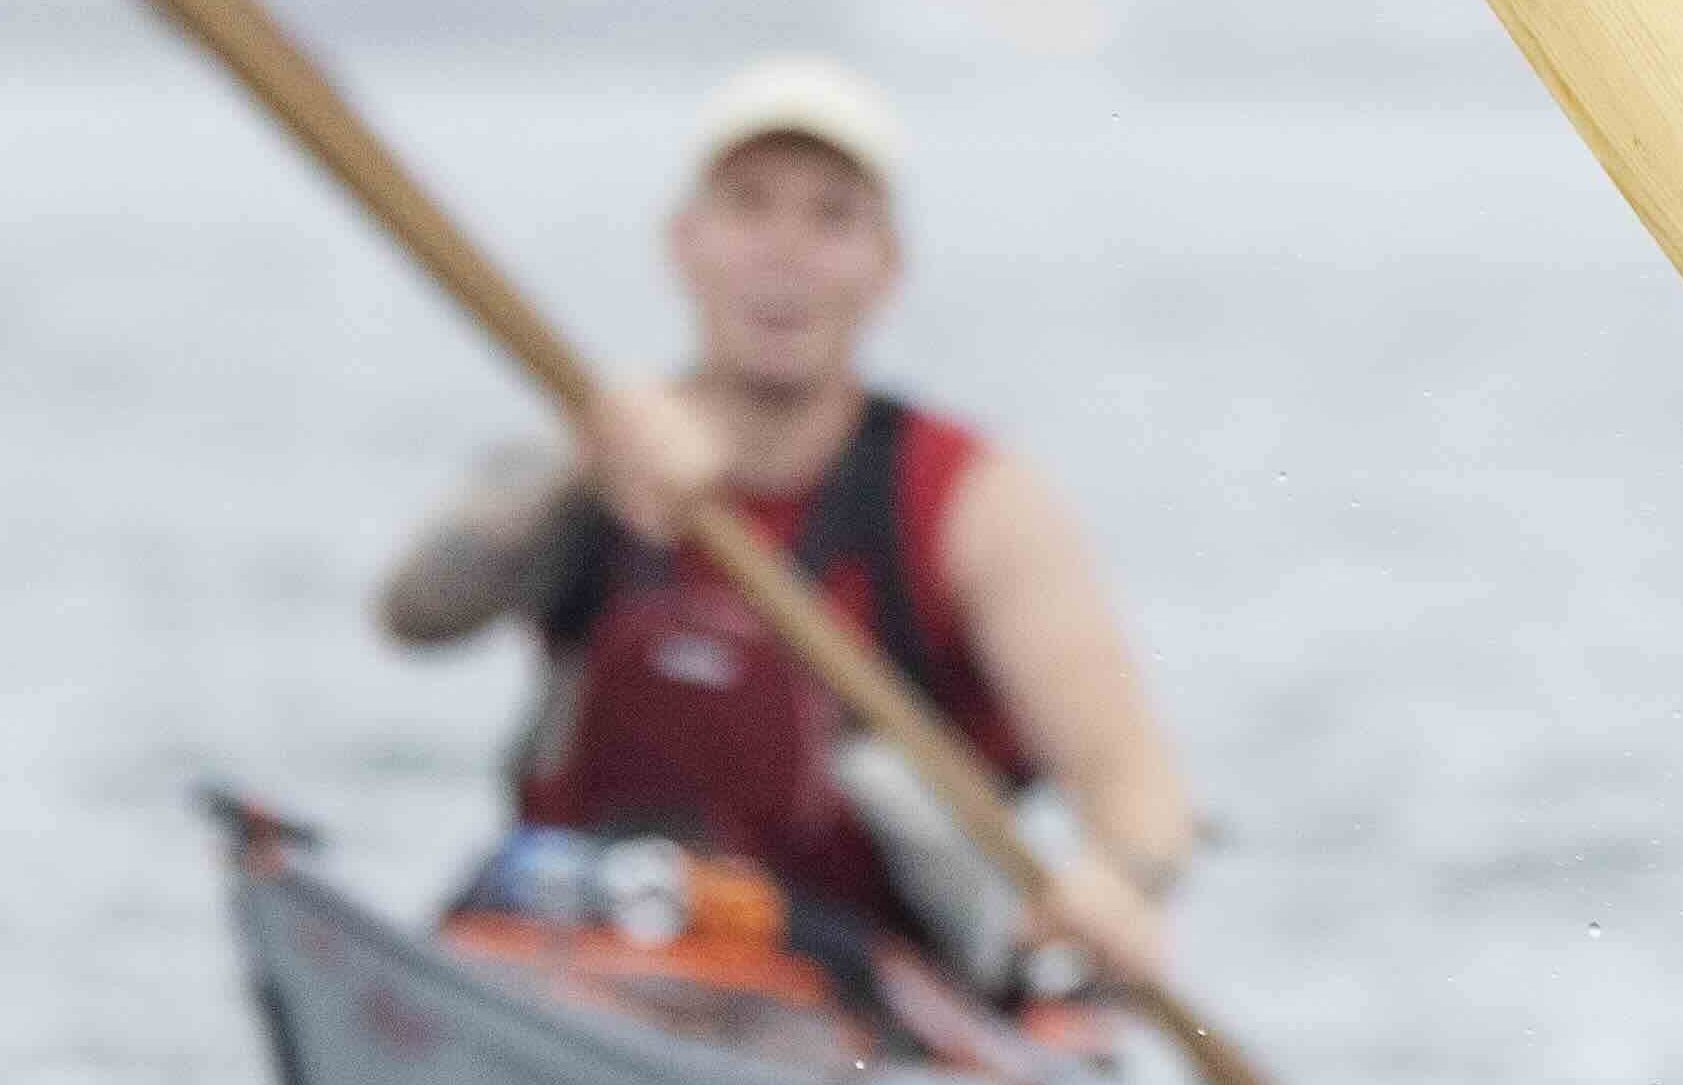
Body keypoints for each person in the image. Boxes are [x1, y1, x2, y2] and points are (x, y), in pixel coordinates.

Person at [371, 57, 1198, 1007]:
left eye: (831, 217)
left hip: (855, 991)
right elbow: (413, 617)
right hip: (578, 943)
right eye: (750, 206)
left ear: (886, 267)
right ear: (686, 243)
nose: (785, 253)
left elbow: (1138, 792)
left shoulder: (971, 500)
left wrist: (1121, 881)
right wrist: (585, 468)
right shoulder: (591, 455)